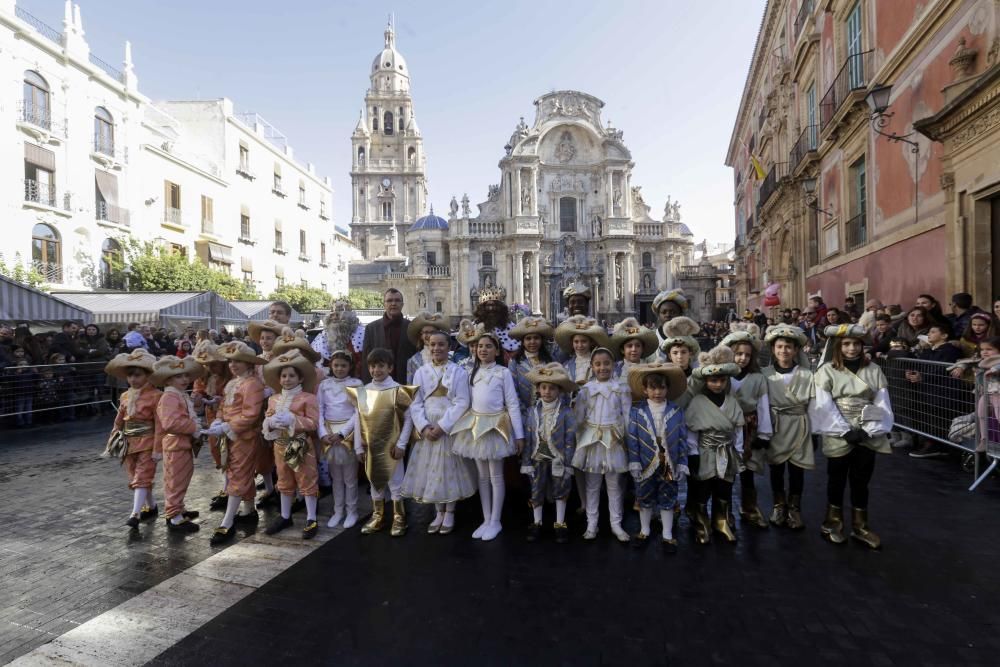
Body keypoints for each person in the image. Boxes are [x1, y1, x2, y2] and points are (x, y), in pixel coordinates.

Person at [810, 324, 894, 549]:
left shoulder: (873, 369)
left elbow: (882, 401)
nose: (852, 348)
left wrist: (869, 430)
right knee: (836, 478)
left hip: (868, 431)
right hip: (838, 432)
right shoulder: (826, 370)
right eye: (846, 344)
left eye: (856, 344)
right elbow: (823, 404)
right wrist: (844, 430)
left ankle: (860, 526)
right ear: (838, 346)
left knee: (861, 480)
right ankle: (832, 522)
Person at [451, 326, 525, 541]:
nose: (483, 350)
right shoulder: (470, 372)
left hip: (496, 428)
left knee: (495, 475)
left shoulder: (503, 373)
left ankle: (496, 520)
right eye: (480, 346)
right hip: (476, 427)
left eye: (488, 346)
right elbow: (463, 401)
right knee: (482, 477)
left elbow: (512, 403)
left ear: (497, 351)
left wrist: (519, 435)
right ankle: (485, 518)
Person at [399, 330, 475, 535]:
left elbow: (462, 401)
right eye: (433, 344)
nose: (436, 348)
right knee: (431, 469)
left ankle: (449, 510)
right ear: (427, 346)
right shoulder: (421, 372)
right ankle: (438, 511)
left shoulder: (458, 371)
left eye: (441, 344)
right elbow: (415, 402)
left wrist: (442, 426)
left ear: (449, 347)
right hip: (428, 428)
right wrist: (423, 426)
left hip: (447, 428)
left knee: (448, 468)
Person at [347, 348, 417, 536]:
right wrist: (358, 446)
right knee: (374, 483)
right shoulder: (364, 391)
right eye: (372, 366)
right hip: (370, 446)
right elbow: (358, 418)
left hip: (392, 447)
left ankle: (399, 518)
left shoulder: (398, 390)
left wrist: (402, 444)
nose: (376, 370)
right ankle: (377, 516)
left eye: (380, 366)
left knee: (396, 483)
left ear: (390, 368)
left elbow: (409, 419)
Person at [203, 341, 267, 545]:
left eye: (238, 361)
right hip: (230, 435)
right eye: (230, 361)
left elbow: (251, 414)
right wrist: (219, 419)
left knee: (238, 473)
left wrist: (227, 425)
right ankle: (249, 510)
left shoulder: (253, 384)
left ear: (249, 363)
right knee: (236, 471)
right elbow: (223, 405)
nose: (233, 365)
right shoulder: (232, 383)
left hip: (245, 437)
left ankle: (227, 521)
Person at [625, 362, 688, 551]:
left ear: (667, 389)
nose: (657, 392)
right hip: (645, 462)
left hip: (668, 462)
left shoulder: (677, 411)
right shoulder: (637, 412)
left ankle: (667, 534)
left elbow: (682, 439)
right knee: (644, 495)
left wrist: (682, 463)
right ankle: (644, 530)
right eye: (653, 387)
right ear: (645, 390)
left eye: (661, 387)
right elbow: (632, 438)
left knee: (668, 495)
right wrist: (634, 461)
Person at [758, 324, 815, 530]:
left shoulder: (807, 375)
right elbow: (762, 405)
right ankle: (778, 505)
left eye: (788, 347)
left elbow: (814, 405)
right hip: (776, 425)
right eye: (780, 347)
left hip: (799, 424)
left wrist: (815, 432)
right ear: (773, 349)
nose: (784, 351)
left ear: (796, 350)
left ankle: (794, 508)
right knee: (776, 468)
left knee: (797, 470)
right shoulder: (765, 374)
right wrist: (763, 432)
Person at [686, 346, 745, 544]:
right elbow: (693, 431)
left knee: (724, 488)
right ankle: (701, 521)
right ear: (706, 381)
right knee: (703, 488)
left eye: (722, 380)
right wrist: (692, 453)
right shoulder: (698, 402)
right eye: (713, 380)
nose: (718, 384)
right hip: (705, 451)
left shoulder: (732, 401)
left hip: (727, 451)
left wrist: (739, 450)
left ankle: (721, 521)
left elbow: (738, 429)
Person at [261, 350, 322, 539]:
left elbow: (313, 423)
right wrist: (269, 423)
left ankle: (311, 518)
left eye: (291, 375)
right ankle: (285, 516)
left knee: (307, 479)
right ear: (279, 379)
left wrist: (293, 419)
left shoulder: (308, 398)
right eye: (284, 376)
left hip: (301, 445)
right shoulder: (273, 399)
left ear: (300, 377)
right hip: (280, 444)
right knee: (284, 479)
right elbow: (268, 417)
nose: (287, 379)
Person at [572, 347, 631, 542]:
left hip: (614, 439)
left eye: (606, 363)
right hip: (592, 440)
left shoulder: (621, 388)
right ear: (592, 367)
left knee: (614, 485)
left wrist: (627, 439)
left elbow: (627, 415)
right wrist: (578, 439)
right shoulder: (586, 390)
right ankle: (592, 523)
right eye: (598, 364)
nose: (603, 367)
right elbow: (579, 418)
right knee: (592, 484)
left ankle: (616, 523)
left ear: (613, 365)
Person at [103, 350, 161, 529]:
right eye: (130, 375)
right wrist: (114, 436)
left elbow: (160, 424)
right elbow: (119, 418)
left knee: (142, 476)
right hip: (128, 443)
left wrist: (157, 448)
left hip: (147, 441)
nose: (133, 379)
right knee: (135, 476)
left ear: (148, 375)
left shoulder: (157, 395)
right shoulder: (125, 395)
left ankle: (135, 513)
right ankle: (151, 506)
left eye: (138, 375)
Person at [521, 363, 577, 543]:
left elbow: (570, 440)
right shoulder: (532, 411)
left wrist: (568, 463)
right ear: (538, 389)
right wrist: (526, 462)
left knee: (560, 489)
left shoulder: (566, 412)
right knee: (536, 489)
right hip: (537, 457)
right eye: (543, 387)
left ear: (559, 391)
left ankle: (559, 523)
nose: (547, 391)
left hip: (558, 459)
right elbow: (529, 438)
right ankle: (537, 522)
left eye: (552, 388)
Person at [721, 323, 769, 529]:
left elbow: (763, 406)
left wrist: (764, 434)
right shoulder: (723, 377)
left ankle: (749, 508)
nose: (742, 358)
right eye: (738, 354)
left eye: (746, 355)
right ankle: (725, 512)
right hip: (727, 428)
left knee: (748, 471)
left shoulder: (758, 379)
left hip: (749, 428)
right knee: (726, 471)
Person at [151, 355, 205, 534]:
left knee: (182, 477)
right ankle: (174, 516)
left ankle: (179, 508)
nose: (184, 379)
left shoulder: (179, 395)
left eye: (185, 376)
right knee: (175, 480)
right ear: (168, 380)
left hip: (182, 443)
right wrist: (194, 427)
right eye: (178, 376)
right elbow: (170, 423)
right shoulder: (169, 397)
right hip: (175, 443)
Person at [317, 350, 364, 529]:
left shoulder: (357, 384)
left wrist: (343, 433)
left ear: (350, 366)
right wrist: (322, 434)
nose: (339, 368)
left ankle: (352, 511)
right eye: (336, 365)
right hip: (329, 434)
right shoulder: (324, 385)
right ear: (330, 365)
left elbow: (359, 411)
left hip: (348, 433)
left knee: (350, 478)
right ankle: (338, 511)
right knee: (336, 477)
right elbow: (319, 409)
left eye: (343, 365)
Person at [191, 340, 231, 511]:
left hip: (229, 417)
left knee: (228, 450)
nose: (210, 368)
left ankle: (230, 488)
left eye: (213, 364)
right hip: (211, 415)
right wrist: (197, 397)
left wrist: (222, 400)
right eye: (207, 365)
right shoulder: (204, 375)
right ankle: (226, 486)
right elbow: (197, 390)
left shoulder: (230, 373)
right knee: (216, 450)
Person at [360, 289, 416, 384]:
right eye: (389, 300)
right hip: (378, 384)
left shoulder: (411, 327)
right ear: (384, 304)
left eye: (397, 300)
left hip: (405, 382)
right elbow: (366, 360)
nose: (393, 303)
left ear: (402, 304)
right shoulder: (371, 328)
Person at [507, 315, 555, 419]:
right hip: (524, 416)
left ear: (541, 340)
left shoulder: (550, 360)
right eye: (528, 338)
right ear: (522, 342)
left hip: (548, 414)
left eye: (536, 338)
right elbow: (513, 392)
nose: (532, 342)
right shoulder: (515, 363)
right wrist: (526, 414)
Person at [311, 298, 365, 374]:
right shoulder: (322, 336)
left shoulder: (361, 333)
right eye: (332, 315)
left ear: (349, 317)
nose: (334, 318)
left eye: (338, 315)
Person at [555, 315, 610, 387]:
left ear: (591, 343)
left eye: (584, 341)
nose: (580, 345)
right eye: (576, 342)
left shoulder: (600, 363)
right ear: (572, 343)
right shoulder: (567, 365)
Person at [405, 312, 450, 383]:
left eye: (433, 332)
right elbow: (410, 386)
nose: (429, 336)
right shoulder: (413, 361)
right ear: (421, 336)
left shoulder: (450, 357)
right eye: (426, 332)